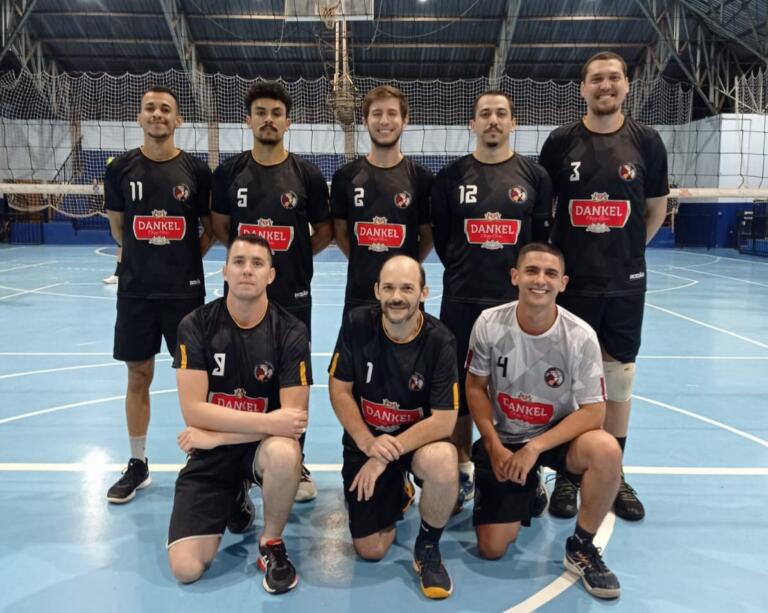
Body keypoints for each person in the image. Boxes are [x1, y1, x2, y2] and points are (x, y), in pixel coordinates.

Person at [538, 51, 669, 521]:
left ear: (627, 86)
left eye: (614, 78)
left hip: (624, 285)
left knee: (618, 379)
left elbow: (655, 208)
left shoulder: (647, 142)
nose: (605, 86)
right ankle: (569, 474)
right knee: (567, 382)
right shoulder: (560, 143)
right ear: (583, 88)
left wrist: (630, 251)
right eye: (596, 79)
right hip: (571, 285)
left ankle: (613, 471)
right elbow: (544, 207)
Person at [466, 242, 622, 600]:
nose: (540, 280)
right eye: (532, 271)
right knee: (492, 548)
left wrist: (534, 448)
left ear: (563, 283)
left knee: (605, 450)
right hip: (506, 437)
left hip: (554, 437)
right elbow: (475, 387)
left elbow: (594, 412)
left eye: (550, 273)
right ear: (515, 276)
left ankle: (582, 546)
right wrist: (492, 443)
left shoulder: (580, 336)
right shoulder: (489, 324)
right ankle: (531, 487)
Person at [167, 234, 310, 594]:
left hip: (254, 448)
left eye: (257, 264)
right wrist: (266, 422)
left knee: (284, 452)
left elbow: (292, 421)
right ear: (224, 272)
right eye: (239, 262)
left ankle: (271, 544)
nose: (248, 270)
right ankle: (233, 496)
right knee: (186, 568)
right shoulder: (195, 325)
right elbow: (193, 410)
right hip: (217, 452)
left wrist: (215, 435)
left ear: (271, 276)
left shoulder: (291, 332)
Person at [431, 90, 552, 512]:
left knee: (516, 389)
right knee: (460, 391)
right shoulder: (450, 176)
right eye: (485, 114)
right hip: (462, 298)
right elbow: (444, 239)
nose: (493, 121)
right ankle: (464, 469)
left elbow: (538, 243)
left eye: (502, 113)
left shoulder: (534, 177)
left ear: (513, 122)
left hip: (513, 305)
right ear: (473, 123)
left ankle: (523, 469)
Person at [211, 81, 332, 502]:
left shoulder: (308, 175)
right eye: (260, 112)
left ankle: (293, 461)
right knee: (237, 381)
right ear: (248, 120)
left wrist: (282, 265)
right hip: (242, 300)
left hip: (293, 298)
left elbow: (325, 231)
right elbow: (221, 229)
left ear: (288, 121)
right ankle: (236, 470)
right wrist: (252, 270)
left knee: (294, 384)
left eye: (276, 113)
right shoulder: (229, 172)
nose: (268, 119)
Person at [104, 86, 213, 504]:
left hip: (184, 295)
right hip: (136, 293)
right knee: (138, 376)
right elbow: (119, 229)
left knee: (195, 379)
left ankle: (205, 461)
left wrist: (183, 260)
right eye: (149, 107)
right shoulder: (121, 169)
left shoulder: (197, 171)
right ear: (139, 116)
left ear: (178, 119)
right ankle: (138, 463)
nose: (157, 114)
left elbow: (210, 229)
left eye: (166, 109)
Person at [328, 255, 459, 600]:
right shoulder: (357, 323)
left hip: (412, 445)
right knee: (371, 550)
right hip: (367, 440)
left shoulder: (440, 341)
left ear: (424, 292)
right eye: (388, 287)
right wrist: (366, 442)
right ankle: (399, 490)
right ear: (376, 291)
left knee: (445, 460)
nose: (397, 296)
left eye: (406, 288)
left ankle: (428, 546)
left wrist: (385, 455)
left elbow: (444, 420)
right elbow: (339, 390)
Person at [331, 85, 433, 313]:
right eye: (377, 114)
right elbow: (340, 232)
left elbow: (428, 235)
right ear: (365, 121)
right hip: (359, 295)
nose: (384, 121)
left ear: (405, 120)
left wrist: (405, 269)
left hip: (406, 298)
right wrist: (362, 262)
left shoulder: (421, 178)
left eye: (392, 113)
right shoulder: (345, 177)